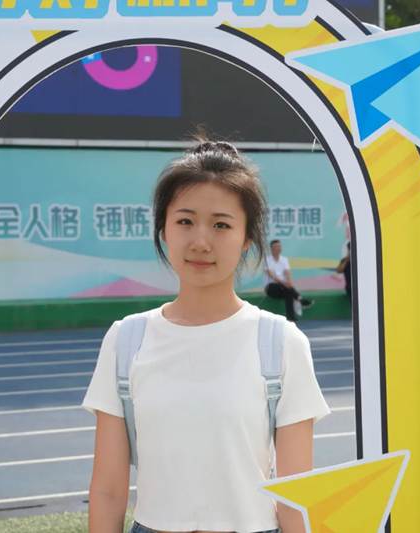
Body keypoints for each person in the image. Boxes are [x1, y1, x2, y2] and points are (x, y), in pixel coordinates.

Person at [82, 138, 331, 533]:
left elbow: (294, 498)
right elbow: (109, 491)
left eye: (221, 225)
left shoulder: (281, 343)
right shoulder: (126, 340)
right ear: (163, 229)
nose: (201, 242)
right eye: (185, 221)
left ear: (247, 238)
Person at [264, 239, 313, 322]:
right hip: (271, 288)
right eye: (276, 247)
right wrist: (285, 283)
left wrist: (290, 283)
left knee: (288, 293)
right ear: (271, 249)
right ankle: (300, 299)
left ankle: (290, 317)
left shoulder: (284, 260)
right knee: (286, 289)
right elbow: (272, 276)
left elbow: (288, 273)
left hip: (284, 288)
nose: (278, 248)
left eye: (279, 246)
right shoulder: (267, 260)